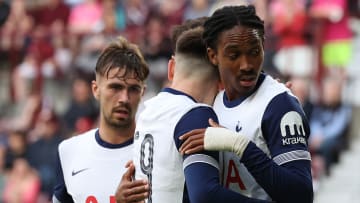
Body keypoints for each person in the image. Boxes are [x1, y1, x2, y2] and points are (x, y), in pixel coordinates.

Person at [179, 5, 313, 203]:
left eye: (254, 51)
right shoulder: (211, 102)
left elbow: (301, 196)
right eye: (234, 55)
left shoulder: (279, 105)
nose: (247, 65)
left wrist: (240, 145)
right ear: (213, 56)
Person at [131, 17, 271, 203]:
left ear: (172, 68)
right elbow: (205, 194)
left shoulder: (147, 111)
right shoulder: (195, 114)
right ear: (222, 78)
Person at [52, 36, 150, 203]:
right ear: (96, 89)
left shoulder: (158, 150)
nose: (124, 98)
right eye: (115, 87)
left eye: (133, 89)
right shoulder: (68, 152)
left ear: (142, 93)